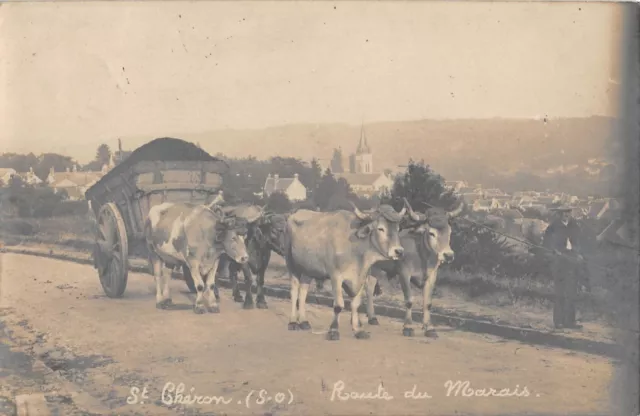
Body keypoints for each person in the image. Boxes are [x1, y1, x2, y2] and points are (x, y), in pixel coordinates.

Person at [542, 206, 587, 330]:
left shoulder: (574, 226)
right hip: (559, 263)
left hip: (572, 260)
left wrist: (579, 254)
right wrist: (554, 252)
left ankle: (570, 322)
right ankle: (559, 321)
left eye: (568, 212)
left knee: (572, 292)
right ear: (559, 214)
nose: (566, 214)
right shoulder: (552, 228)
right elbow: (547, 245)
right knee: (560, 292)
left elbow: (579, 242)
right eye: (563, 212)